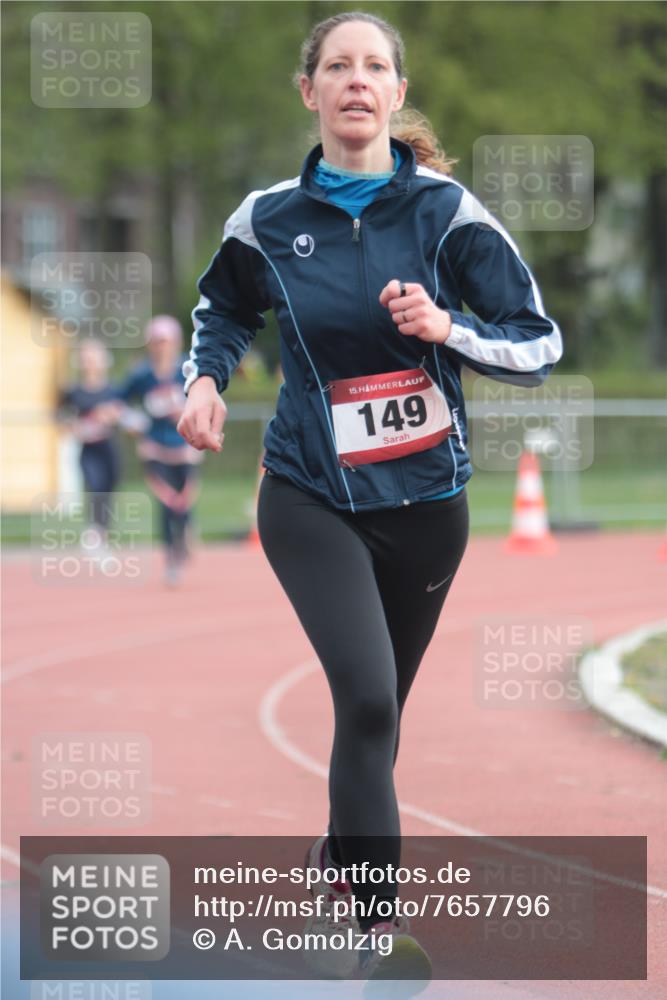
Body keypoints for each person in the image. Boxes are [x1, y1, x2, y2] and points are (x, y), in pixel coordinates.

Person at [177, 9, 562, 991]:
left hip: (428, 504)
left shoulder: (446, 212)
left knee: (374, 724)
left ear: (396, 92)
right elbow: (222, 307)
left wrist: (447, 327)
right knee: (369, 697)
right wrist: (206, 381)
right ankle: (377, 935)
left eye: (375, 66)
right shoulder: (266, 218)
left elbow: (537, 338)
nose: (356, 80)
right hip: (308, 492)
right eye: (336, 66)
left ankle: (337, 857)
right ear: (308, 93)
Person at [119, 315, 202, 586]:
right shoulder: (141, 375)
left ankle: (186, 532)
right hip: (155, 448)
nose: (160, 347)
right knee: (166, 504)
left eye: (165, 341)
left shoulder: (188, 371)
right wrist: (132, 422)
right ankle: (171, 559)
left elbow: (206, 397)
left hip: (186, 446)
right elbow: (118, 401)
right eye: (155, 342)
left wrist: (190, 411)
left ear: (176, 342)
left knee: (184, 502)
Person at [58, 338, 123, 551]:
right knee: (94, 486)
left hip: (109, 447)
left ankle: (103, 531)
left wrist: (113, 415)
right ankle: (94, 530)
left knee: (108, 487)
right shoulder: (73, 392)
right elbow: (61, 417)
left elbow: (126, 414)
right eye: (86, 359)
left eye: (94, 358)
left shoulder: (113, 390)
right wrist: (73, 426)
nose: (90, 363)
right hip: (88, 449)